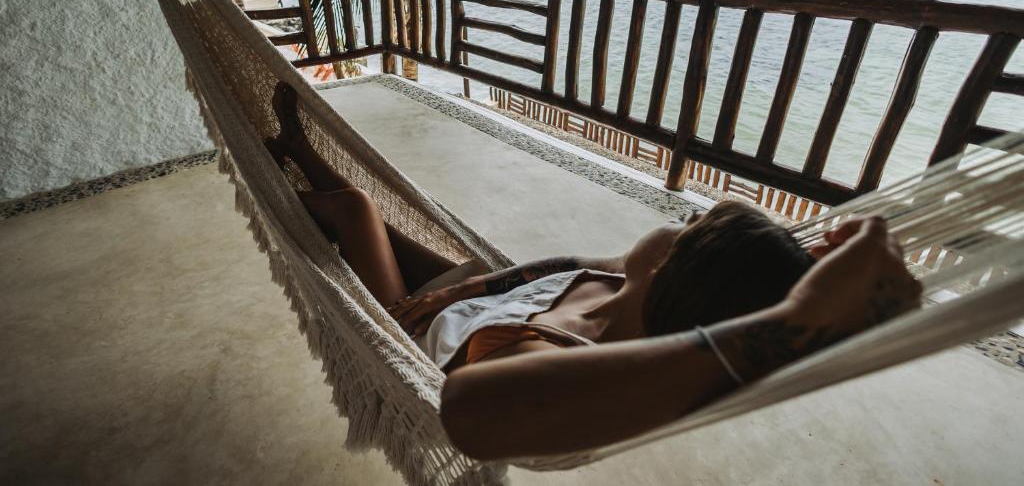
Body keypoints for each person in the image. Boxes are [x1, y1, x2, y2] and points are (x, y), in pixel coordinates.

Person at [265, 82, 921, 460]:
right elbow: (552, 271)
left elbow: (467, 410)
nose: (677, 222)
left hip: (406, 331)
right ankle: (295, 149)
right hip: (469, 297)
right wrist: (795, 267)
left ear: (671, 269)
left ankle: (279, 185)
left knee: (354, 212)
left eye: (690, 230)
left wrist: (794, 322)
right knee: (374, 213)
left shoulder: (564, 356)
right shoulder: (625, 281)